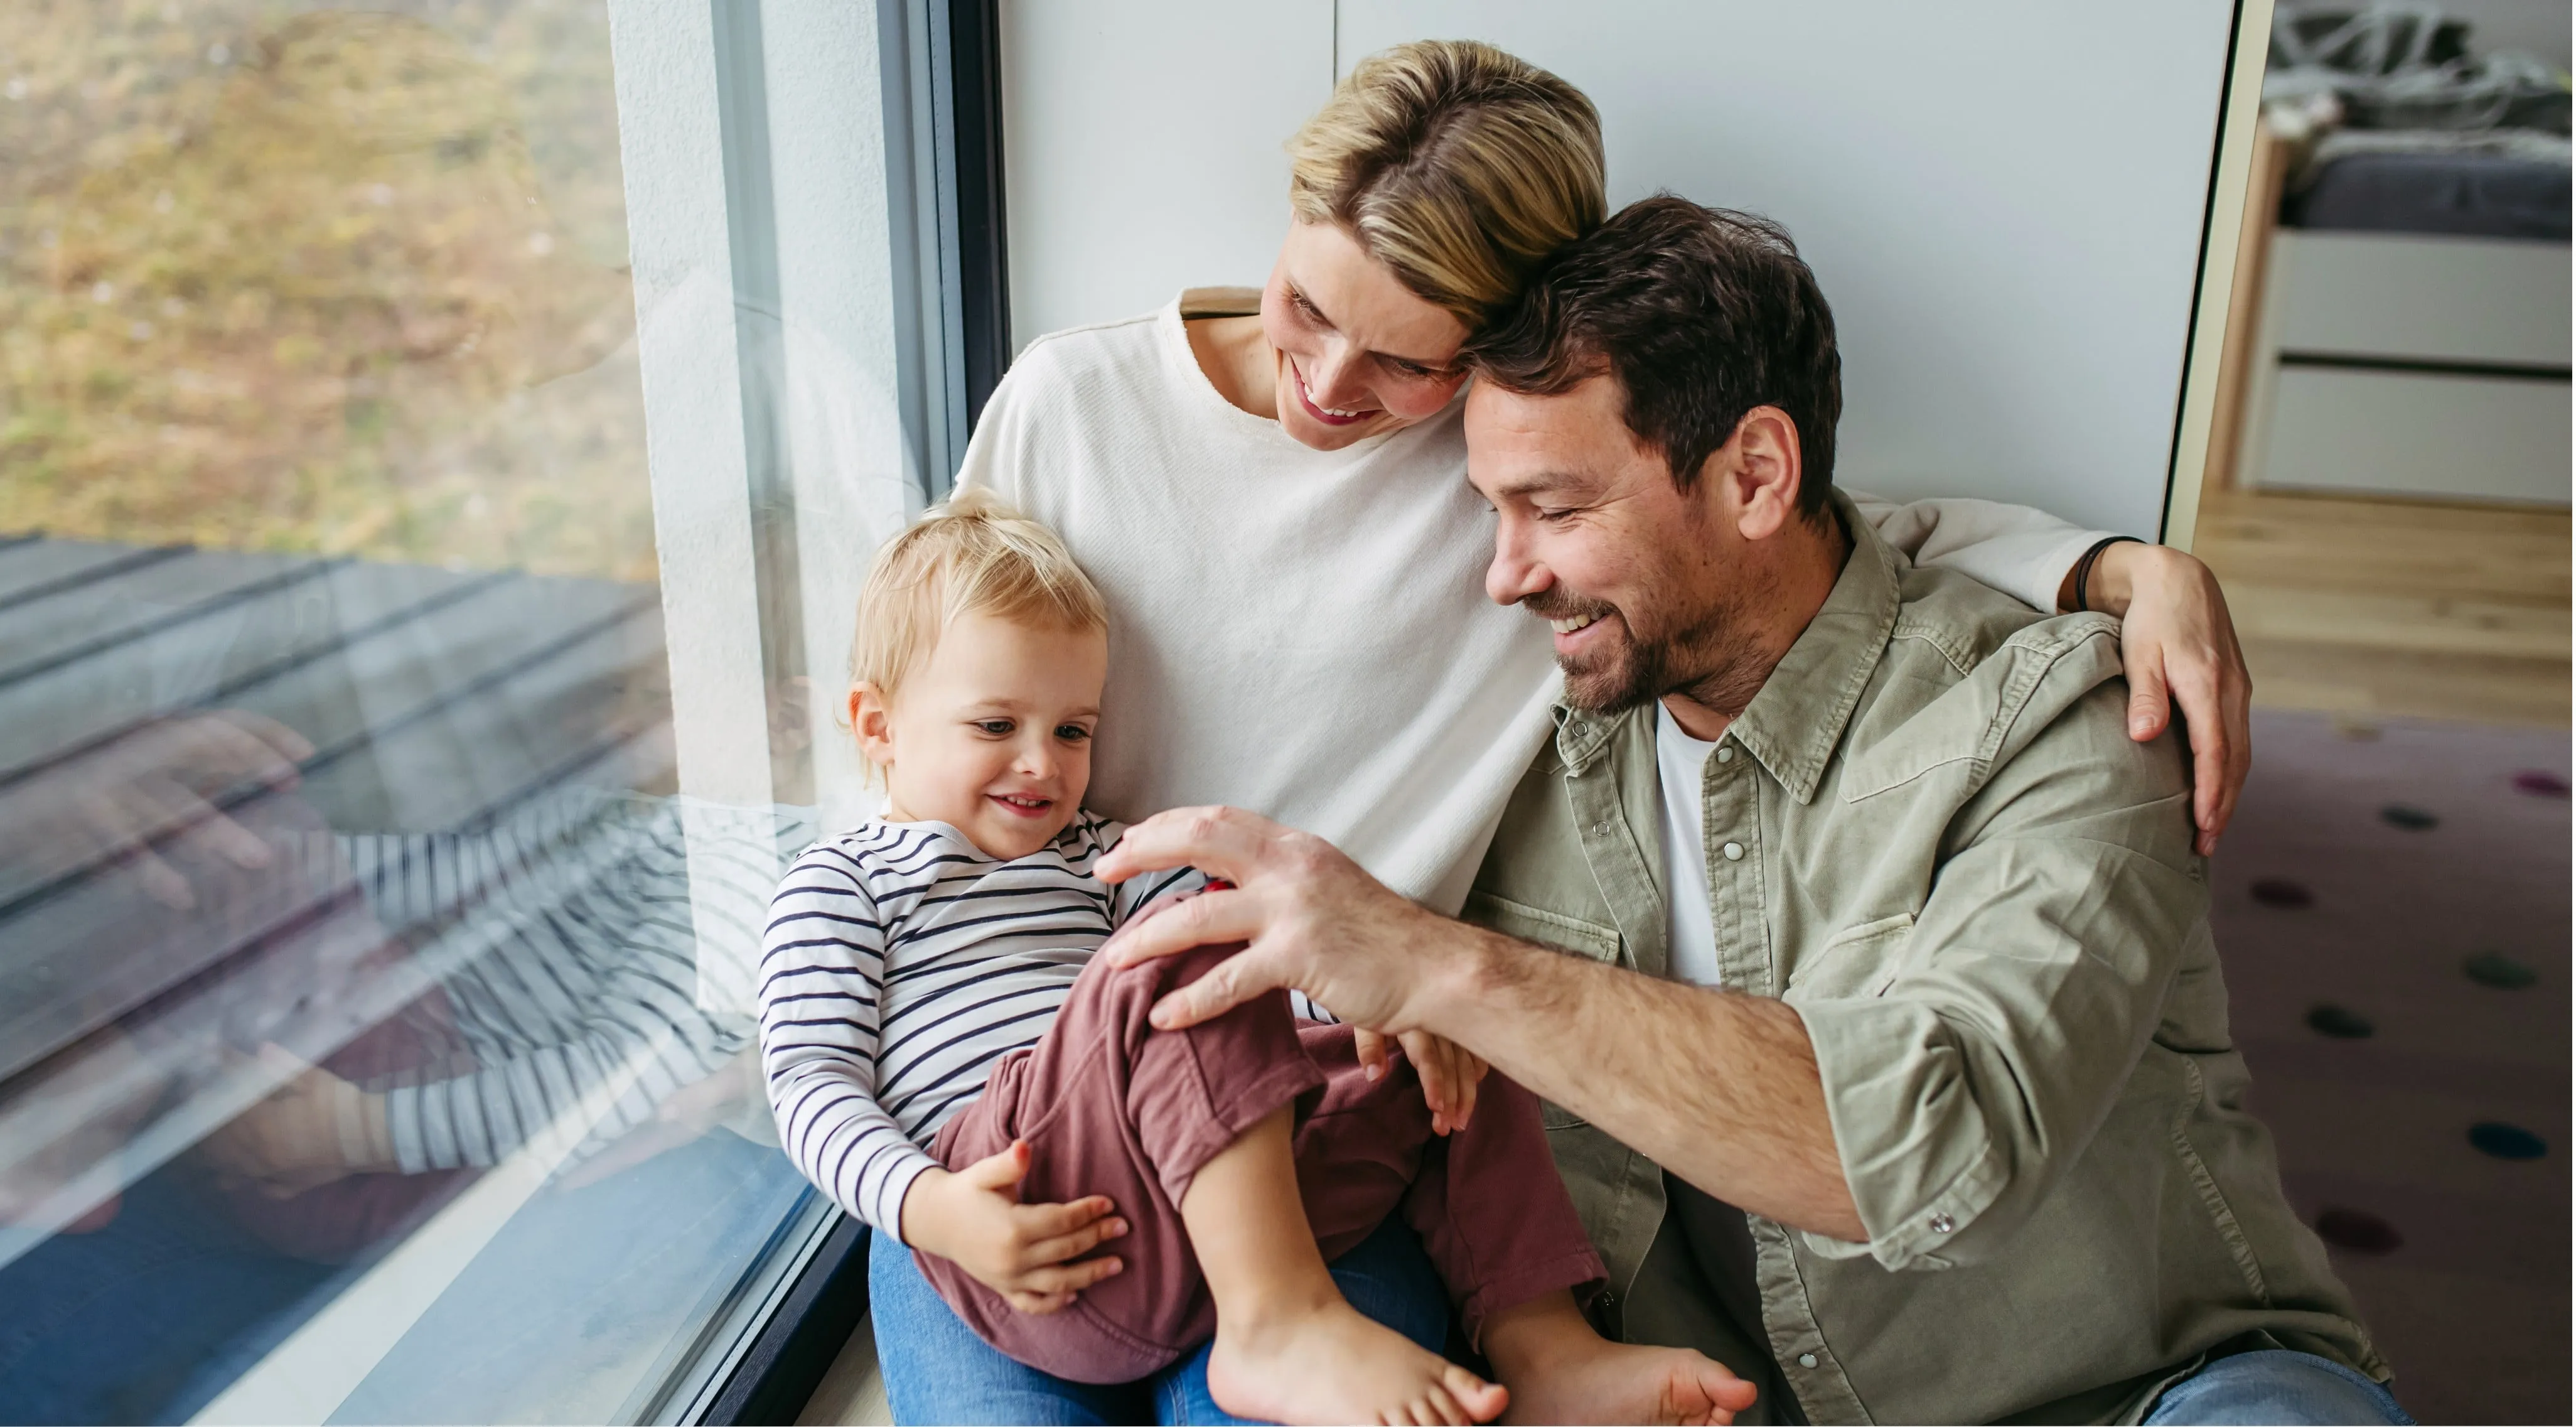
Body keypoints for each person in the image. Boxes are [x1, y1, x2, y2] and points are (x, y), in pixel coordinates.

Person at [893, 37, 2260, 1421]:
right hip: (1049, 1091)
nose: (1328, 384)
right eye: (1305, 302)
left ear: (1486, 345)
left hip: (1328, 1116)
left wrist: (2104, 566)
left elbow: (1776, 543)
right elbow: (932, 679)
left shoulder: (1485, 471)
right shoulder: (1076, 406)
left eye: (1406, 358)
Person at [1092, 196, 2405, 1426]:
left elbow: (1941, 1148)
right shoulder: (1524, 721)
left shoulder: (2070, 725)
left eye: (1553, 507)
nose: (1503, 575)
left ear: (1757, 475)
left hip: (2135, 1390)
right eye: (1490, 511)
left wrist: (1440, 966)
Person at [760, 493, 1754, 1425]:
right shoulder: (846, 881)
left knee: (1438, 1006)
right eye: (995, 727)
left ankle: (1544, 1350)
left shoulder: (1106, 858)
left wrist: (1364, 1010)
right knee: (1194, 936)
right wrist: (929, 1208)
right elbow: (808, 1079)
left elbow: (1251, 1013)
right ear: (877, 727)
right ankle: (1277, 1322)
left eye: (1073, 731)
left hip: (1197, 1210)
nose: (1042, 762)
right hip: (1023, 1205)